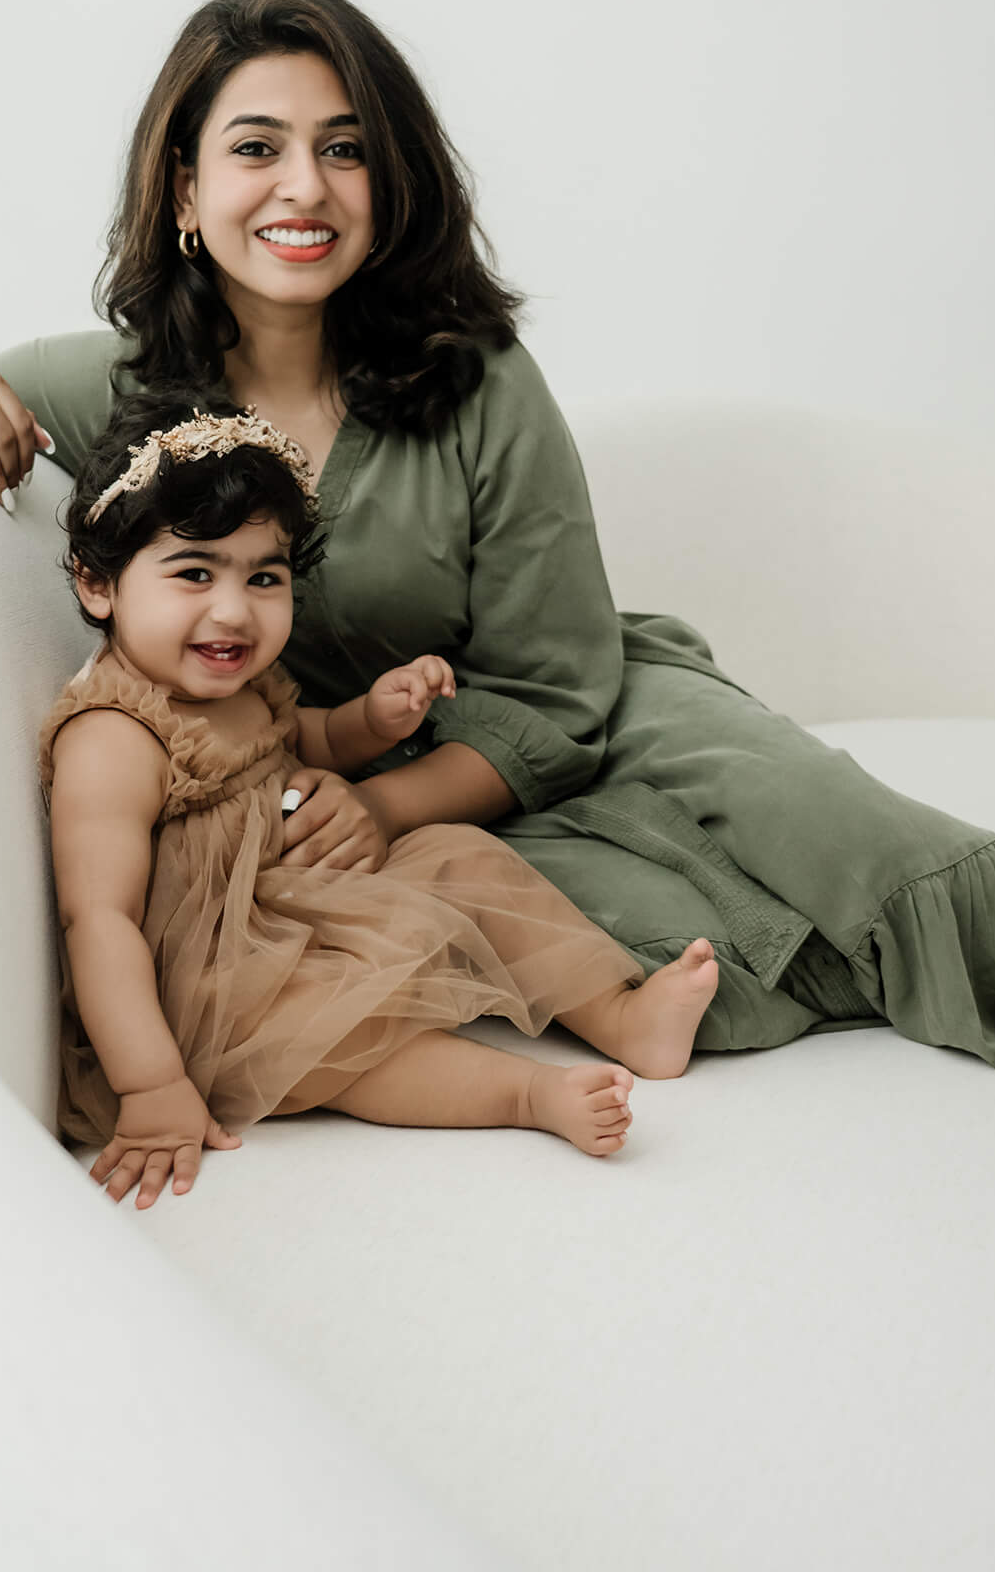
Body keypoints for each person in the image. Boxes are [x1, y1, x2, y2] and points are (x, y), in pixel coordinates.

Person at [0, 0, 995, 1117]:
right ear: (186, 188)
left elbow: (561, 687)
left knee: (886, 862)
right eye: (255, 147)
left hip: (592, 724)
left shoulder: (473, 375)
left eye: (341, 148)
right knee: (734, 973)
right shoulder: (120, 387)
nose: (301, 187)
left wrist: (382, 804)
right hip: (396, 815)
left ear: (387, 183)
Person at [41, 389, 725, 1206]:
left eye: (264, 576)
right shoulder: (114, 739)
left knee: (459, 855)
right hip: (215, 978)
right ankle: (522, 1095)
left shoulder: (240, 685)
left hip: (297, 893)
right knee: (331, 1028)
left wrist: (374, 716)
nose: (233, 610)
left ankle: (620, 1018)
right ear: (97, 585)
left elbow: (311, 742)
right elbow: (101, 921)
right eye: (193, 573)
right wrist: (150, 1086)